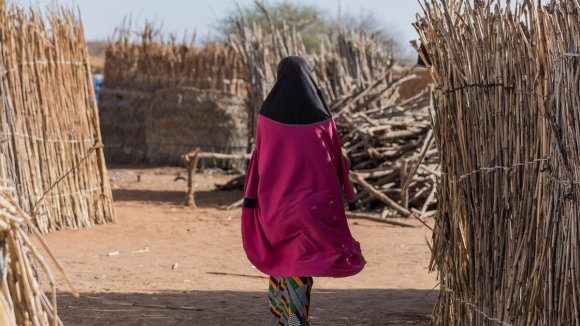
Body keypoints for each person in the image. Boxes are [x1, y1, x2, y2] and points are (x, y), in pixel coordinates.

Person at [241, 56, 365, 325]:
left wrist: (251, 199)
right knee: (302, 261)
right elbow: (337, 159)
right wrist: (350, 198)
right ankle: (295, 318)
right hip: (315, 205)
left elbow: (258, 160)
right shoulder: (322, 118)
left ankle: (281, 318)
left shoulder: (267, 117)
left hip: (275, 206)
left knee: (281, 259)